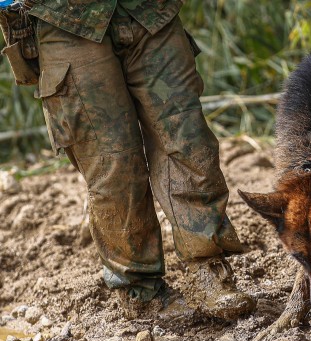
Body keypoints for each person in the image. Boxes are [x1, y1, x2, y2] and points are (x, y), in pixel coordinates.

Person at [19, 0, 256, 321]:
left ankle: (208, 270)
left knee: (187, 139)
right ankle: (141, 293)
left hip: (149, 11)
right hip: (64, 20)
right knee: (111, 163)